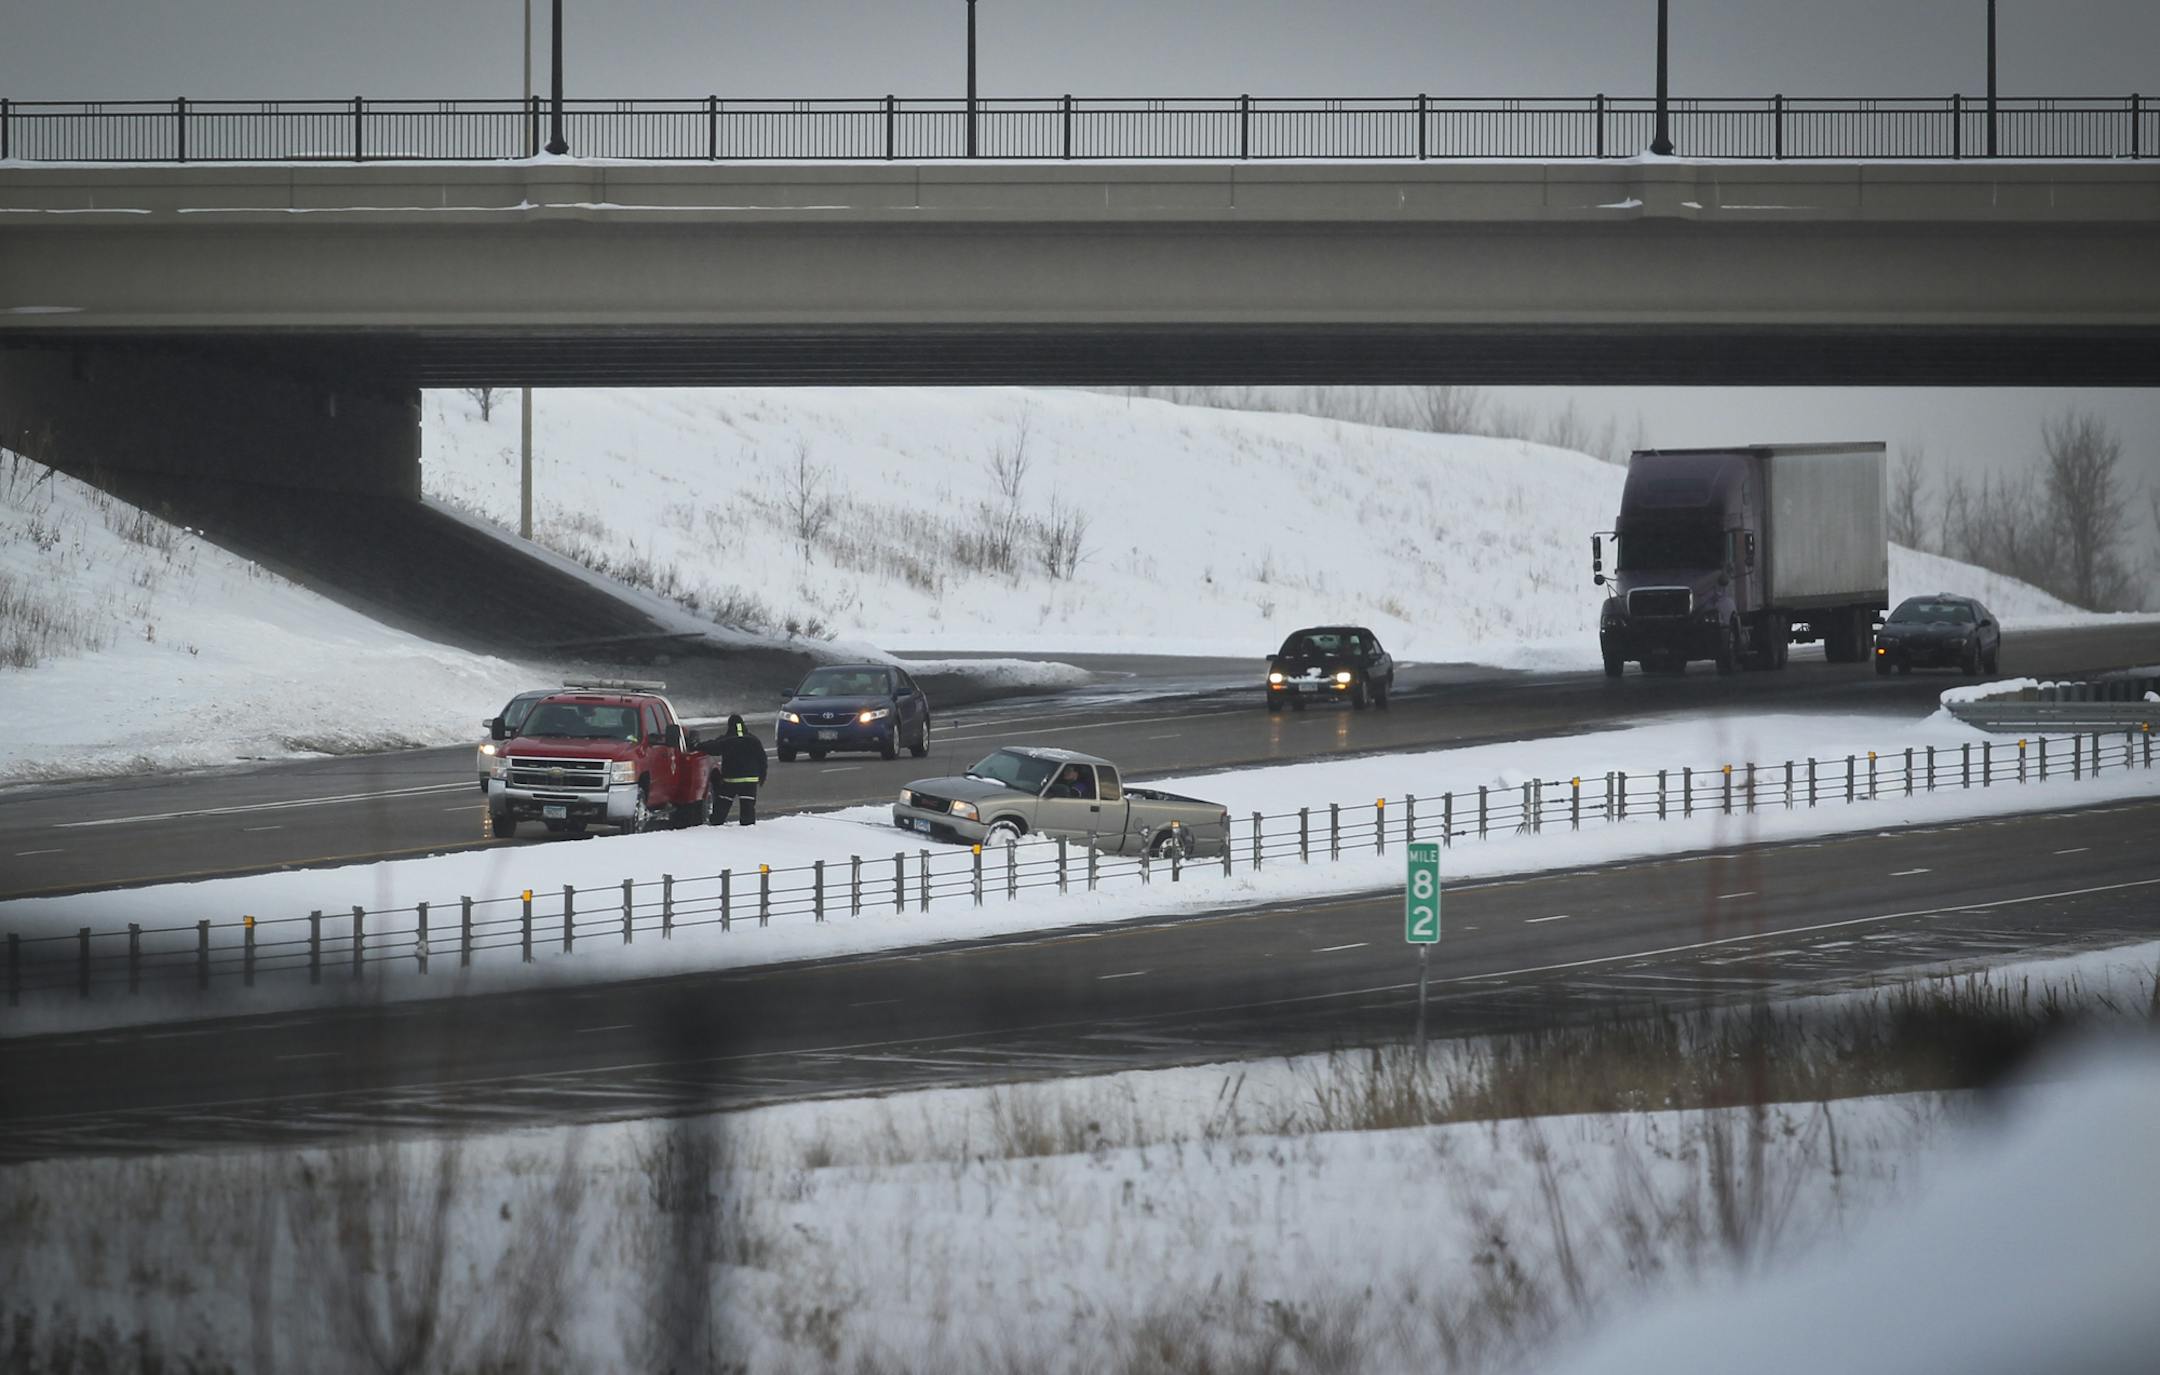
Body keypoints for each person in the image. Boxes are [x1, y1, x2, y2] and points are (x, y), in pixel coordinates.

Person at [708, 714, 768, 826]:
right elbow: (762, 759)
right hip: (750, 781)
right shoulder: (753, 740)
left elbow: (712, 747)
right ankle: (747, 825)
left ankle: (716, 821)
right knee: (748, 808)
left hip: (731, 780)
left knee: (723, 805)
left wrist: (697, 746)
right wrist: (762, 776)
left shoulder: (727, 740)